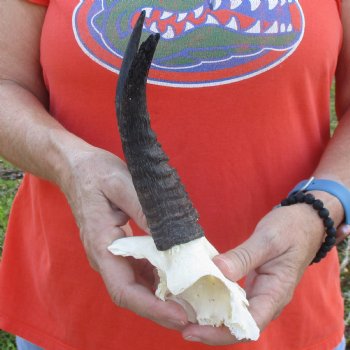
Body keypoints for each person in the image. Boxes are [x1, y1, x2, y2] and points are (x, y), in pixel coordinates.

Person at [0, 0, 349, 349]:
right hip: (74, 310)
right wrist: (71, 165)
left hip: (284, 317)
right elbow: (6, 85)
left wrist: (324, 204)